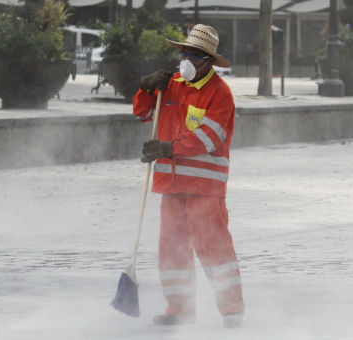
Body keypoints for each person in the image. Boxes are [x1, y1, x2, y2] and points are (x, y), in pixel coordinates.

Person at [132, 24, 244, 328]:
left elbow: (209, 138)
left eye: (194, 55)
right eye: (184, 52)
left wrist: (167, 148)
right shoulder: (173, 84)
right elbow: (142, 113)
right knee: (172, 247)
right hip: (171, 184)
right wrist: (145, 87)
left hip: (204, 187)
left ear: (208, 61)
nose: (186, 58)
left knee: (212, 246)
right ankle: (179, 309)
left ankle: (232, 310)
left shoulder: (220, 94)